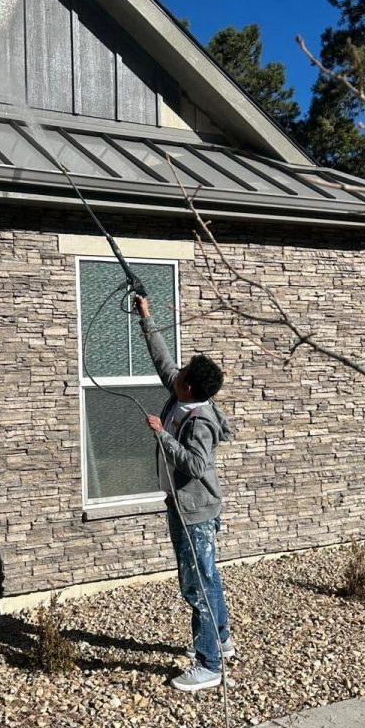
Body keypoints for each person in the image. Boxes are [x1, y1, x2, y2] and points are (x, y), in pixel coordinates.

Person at [134, 294, 236, 692]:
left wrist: (162, 435)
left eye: (184, 372)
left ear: (189, 386)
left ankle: (208, 665)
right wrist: (147, 315)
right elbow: (162, 360)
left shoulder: (201, 420)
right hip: (181, 505)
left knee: (196, 584)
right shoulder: (182, 394)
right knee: (206, 577)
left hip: (195, 511)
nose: (175, 372)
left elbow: (195, 465)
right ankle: (222, 641)